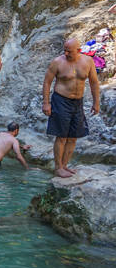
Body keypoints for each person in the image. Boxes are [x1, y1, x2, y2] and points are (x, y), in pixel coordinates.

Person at [42, 38, 100, 178]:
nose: (66, 53)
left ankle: (65, 165)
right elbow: (47, 82)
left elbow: (94, 83)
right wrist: (46, 103)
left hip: (78, 102)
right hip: (61, 100)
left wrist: (96, 102)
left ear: (79, 50)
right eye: (65, 50)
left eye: (69, 51)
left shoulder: (88, 62)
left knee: (73, 137)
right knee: (61, 136)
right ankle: (58, 167)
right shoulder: (58, 62)